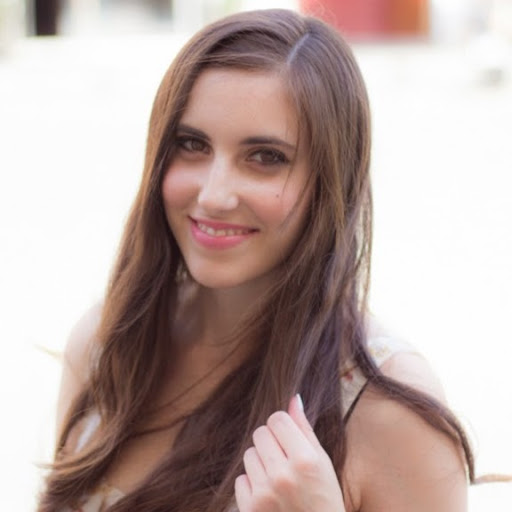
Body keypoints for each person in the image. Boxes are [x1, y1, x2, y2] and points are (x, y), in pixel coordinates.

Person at [38, 8, 474, 512]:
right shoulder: (106, 345)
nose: (214, 195)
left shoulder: (391, 413)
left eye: (265, 157)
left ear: (331, 180)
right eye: (191, 144)